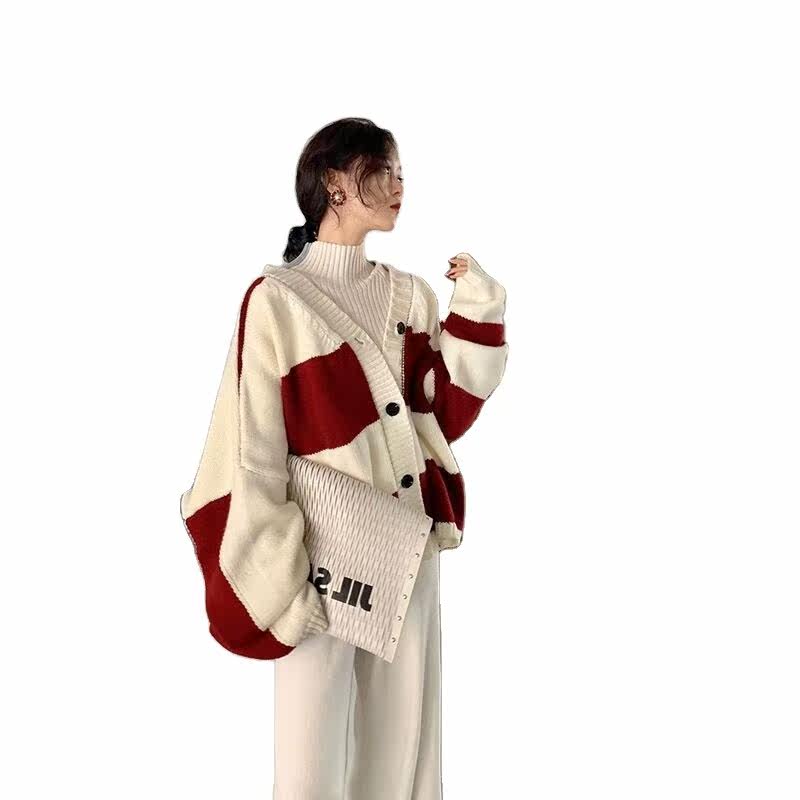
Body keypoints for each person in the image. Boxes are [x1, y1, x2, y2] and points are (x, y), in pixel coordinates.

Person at [179, 117, 509, 800]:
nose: (399, 186)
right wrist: (279, 580)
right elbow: (253, 453)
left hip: (407, 548)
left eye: (401, 172)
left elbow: (442, 416)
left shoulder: (409, 295)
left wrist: (476, 302)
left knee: (402, 758)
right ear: (333, 182)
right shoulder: (275, 302)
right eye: (382, 171)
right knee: (308, 771)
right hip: (316, 562)